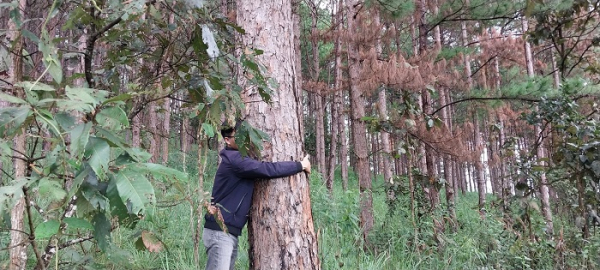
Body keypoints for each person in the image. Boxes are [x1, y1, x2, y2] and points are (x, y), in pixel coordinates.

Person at [203, 125, 311, 270]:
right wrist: (300, 165)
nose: (245, 140)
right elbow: (266, 169)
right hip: (220, 232)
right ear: (227, 140)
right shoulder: (235, 160)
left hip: (227, 232)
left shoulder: (237, 159)